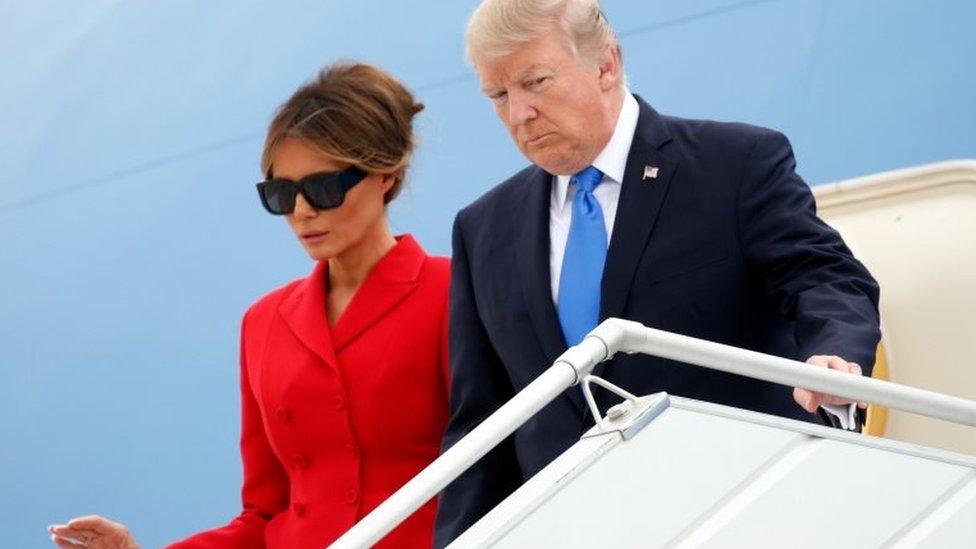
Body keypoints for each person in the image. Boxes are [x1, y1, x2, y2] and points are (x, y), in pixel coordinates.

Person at [435, 0, 881, 544]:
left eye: (536, 82)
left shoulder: (735, 164)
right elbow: (483, 426)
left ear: (606, 65)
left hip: (737, 516)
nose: (518, 114)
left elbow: (824, 277)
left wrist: (834, 354)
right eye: (498, 95)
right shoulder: (483, 229)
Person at [49, 63, 451, 549]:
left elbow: (500, 461)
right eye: (281, 194)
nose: (302, 211)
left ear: (385, 173)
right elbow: (264, 516)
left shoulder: (453, 289)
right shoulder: (263, 323)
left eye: (323, 189)